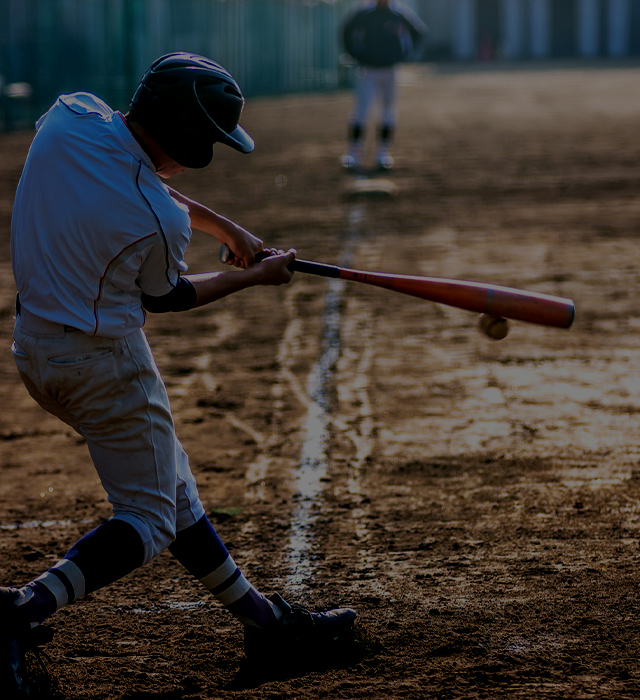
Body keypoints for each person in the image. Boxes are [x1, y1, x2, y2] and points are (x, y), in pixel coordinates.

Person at [1, 52, 357, 699]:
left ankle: (265, 622)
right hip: (105, 367)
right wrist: (254, 275)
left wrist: (224, 225)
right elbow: (169, 298)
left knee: (173, 488)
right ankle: (19, 611)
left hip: (33, 349)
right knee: (148, 516)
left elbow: (130, 172)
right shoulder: (156, 220)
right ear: (189, 140)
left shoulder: (70, 116)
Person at [340, 0, 427, 172]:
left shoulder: (397, 14)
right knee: (361, 111)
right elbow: (346, 30)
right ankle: (354, 153)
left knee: (388, 111)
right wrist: (355, 54)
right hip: (368, 69)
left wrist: (404, 54)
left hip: (390, 70)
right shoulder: (365, 14)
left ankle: (382, 153)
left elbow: (419, 32)